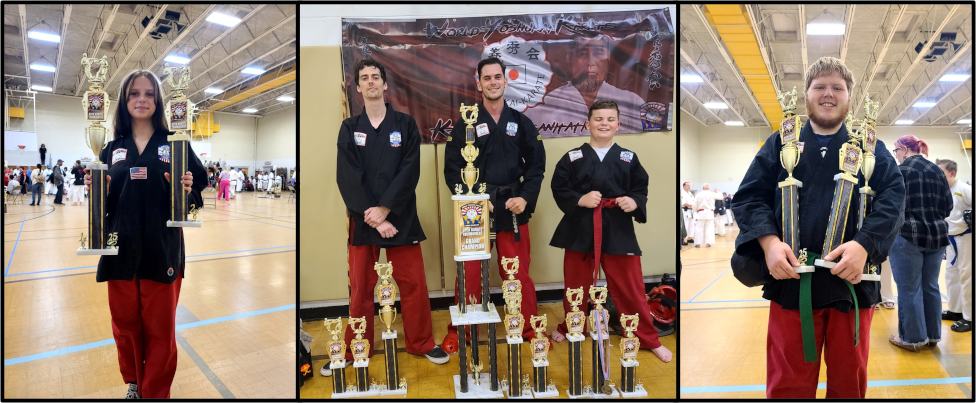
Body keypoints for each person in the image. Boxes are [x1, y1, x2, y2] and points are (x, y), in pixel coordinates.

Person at [731, 56, 904, 398]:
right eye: (819, 86)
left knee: (848, 382)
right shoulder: (781, 143)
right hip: (792, 282)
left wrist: (864, 245)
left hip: (851, 285)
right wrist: (768, 243)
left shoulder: (871, 148)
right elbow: (749, 196)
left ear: (849, 97)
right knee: (788, 381)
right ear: (806, 94)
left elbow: (893, 200)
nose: (828, 94)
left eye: (837, 87)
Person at [86, 69, 207, 399]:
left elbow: (195, 196)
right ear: (124, 102)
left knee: (160, 329)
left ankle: (155, 392)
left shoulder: (174, 143)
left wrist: (187, 190)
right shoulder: (111, 148)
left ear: (159, 101)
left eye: (149, 94)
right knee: (125, 327)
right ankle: (135, 382)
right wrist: (97, 189)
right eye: (134, 94)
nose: (142, 99)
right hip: (119, 250)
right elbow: (106, 205)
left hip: (161, 249)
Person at [331, 58, 448, 377]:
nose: (370, 82)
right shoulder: (349, 128)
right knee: (360, 288)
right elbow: (347, 177)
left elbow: (409, 171)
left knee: (413, 285)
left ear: (385, 85)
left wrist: (385, 210)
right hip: (363, 219)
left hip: (400, 217)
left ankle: (421, 342)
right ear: (357, 88)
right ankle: (356, 348)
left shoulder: (406, 125)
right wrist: (372, 215)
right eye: (364, 78)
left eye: (375, 77)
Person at [548, 100, 672, 362]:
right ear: (587, 123)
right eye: (598, 119)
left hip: (617, 227)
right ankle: (572, 327)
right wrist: (580, 199)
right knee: (575, 286)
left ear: (618, 124)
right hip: (580, 228)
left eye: (610, 119)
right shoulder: (573, 157)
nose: (604, 123)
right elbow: (559, 187)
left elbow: (640, 188)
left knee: (631, 287)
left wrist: (634, 201)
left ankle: (647, 337)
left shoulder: (628, 157)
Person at [442, 57, 546, 352]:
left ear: (505, 80)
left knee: (518, 272)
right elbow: (453, 169)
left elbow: (537, 167)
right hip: (476, 210)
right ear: (478, 83)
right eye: (486, 78)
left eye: (497, 77)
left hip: (512, 207)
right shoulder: (466, 124)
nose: (492, 82)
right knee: (471, 271)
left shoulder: (522, 123)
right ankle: (462, 330)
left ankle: (527, 326)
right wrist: (474, 200)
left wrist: (525, 198)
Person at [887, 135, 953, 351]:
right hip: (937, 236)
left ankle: (913, 338)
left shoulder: (901, 171)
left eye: (896, 150)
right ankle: (933, 335)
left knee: (909, 288)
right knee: (931, 286)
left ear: (905, 149)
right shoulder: (936, 171)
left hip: (908, 235)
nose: (896, 155)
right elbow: (948, 206)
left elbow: (893, 206)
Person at [524, 35, 647, 136]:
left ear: (608, 60)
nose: (590, 62)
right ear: (570, 60)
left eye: (598, 53)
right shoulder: (546, 107)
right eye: (582, 53)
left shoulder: (633, 104)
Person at [936, 159, 972, 332]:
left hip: (966, 238)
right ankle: (955, 310)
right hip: (950, 238)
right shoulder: (943, 190)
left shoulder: (965, 189)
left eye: (941, 173)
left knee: (967, 276)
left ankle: (969, 317)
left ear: (951, 173)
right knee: (951, 275)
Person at [693, 183, 718, 247]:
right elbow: (721, 197)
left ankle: (698, 243)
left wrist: (696, 211)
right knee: (709, 228)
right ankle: (708, 243)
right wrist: (717, 191)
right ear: (709, 188)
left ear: (702, 188)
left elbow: (694, 204)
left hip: (700, 212)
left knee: (699, 228)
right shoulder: (712, 194)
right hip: (710, 213)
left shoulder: (698, 194)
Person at [680, 180, 695, 245]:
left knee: (691, 225)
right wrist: (691, 206)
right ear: (684, 186)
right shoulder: (682, 193)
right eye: (688, 185)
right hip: (685, 210)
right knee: (686, 225)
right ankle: (684, 239)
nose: (689, 187)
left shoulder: (690, 193)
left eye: (690, 186)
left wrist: (694, 206)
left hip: (691, 211)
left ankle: (689, 238)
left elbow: (693, 201)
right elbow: (684, 203)